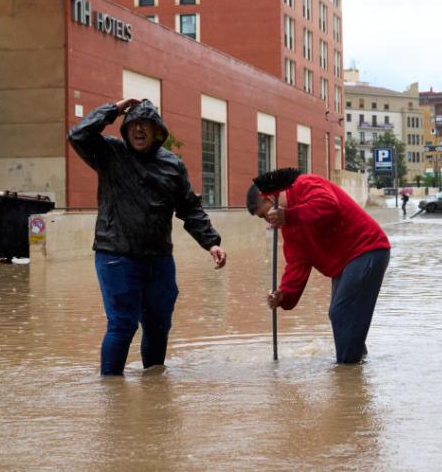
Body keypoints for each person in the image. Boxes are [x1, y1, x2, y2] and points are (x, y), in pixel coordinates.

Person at [68, 98, 228, 376]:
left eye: (146, 125)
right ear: (126, 129)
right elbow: (78, 134)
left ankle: (154, 385)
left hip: (158, 260)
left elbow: (190, 208)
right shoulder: (110, 153)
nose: (139, 130)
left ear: (158, 132)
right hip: (116, 255)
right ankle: (112, 392)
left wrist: (211, 242)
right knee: (123, 323)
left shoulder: (172, 165)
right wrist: (115, 109)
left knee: (158, 323)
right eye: (133, 125)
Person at [246, 168, 390, 364]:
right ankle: (355, 371)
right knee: (341, 316)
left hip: (367, 249)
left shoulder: (305, 184)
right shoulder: (289, 228)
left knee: (341, 311)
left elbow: (328, 204)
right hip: (344, 263)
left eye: (265, 215)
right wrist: (284, 295)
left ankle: (347, 374)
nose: (268, 222)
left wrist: (290, 216)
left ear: (271, 198)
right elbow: (297, 263)